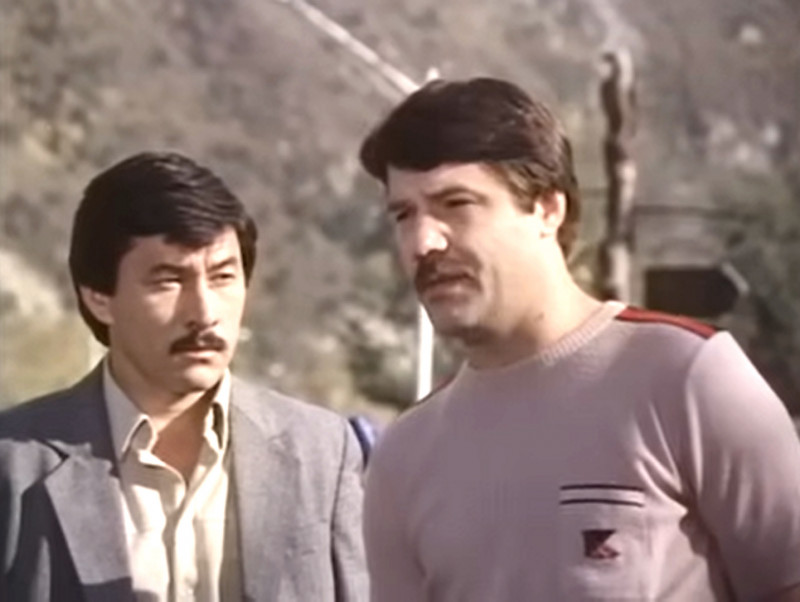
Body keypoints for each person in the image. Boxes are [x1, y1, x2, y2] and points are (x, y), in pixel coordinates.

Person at [358, 77, 800, 602]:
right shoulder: (404, 456)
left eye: (456, 203)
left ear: (549, 209)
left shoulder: (685, 377)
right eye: (404, 215)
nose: (423, 242)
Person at [0, 152, 368, 602]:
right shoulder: (16, 464)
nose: (205, 313)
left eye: (223, 277)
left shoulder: (320, 450)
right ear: (99, 298)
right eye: (169, 280)